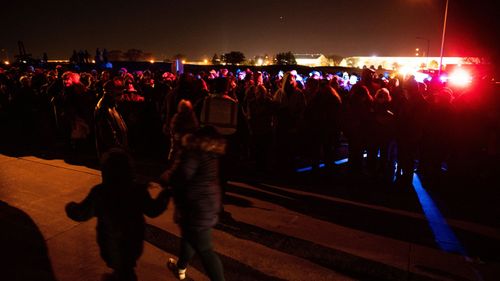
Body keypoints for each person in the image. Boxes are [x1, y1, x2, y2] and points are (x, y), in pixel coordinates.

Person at [65, 148, 170, 281]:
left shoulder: (100, 192)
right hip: (133, 242)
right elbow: (153, 210)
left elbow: (81, 214)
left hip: (111, 244)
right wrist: (166, 193)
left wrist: (70, 207)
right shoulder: (137, 190)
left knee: (122, 269)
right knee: (126, 269)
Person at [159, 126, 226, 281]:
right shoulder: (211, 154)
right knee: (189, 237)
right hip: (207, 203)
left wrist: (166, 178)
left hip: (196, 207)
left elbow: (181, 176)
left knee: (205, 249)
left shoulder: (192, 153)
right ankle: (181, 268)